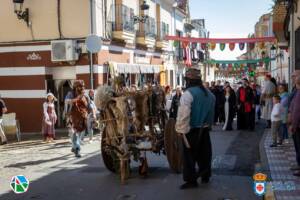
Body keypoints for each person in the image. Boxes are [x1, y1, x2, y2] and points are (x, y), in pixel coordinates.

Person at [176, 68, 215, 189]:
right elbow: (212, 112)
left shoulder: (188, 94)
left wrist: (180, 130)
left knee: (189, 156)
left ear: (188, 80)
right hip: (205, 129)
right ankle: (205, 176)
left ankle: (191, 181)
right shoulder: (209, 94)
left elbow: (183, 115)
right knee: (204, 154)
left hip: (192, 130)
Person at [65, 80, 91, 158]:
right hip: (72, 117)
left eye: (82, 86)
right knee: (74, 133)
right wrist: (77, 98)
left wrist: (92, 114)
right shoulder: (70, 94)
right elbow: (67, 101)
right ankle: (77, 149)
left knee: (79, 134)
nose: (81, 88)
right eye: (79, 86)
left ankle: (74, 146)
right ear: (75, 87)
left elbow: (89, 105)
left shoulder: (85, 95)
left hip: (83, 118)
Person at [289, 75, 300, 176]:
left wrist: (293, 125)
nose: (292, 78)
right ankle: (298, 164)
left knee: (299, 146)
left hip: (298, 126)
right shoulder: (296, 91)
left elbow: (296, 111)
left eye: (294, 76)